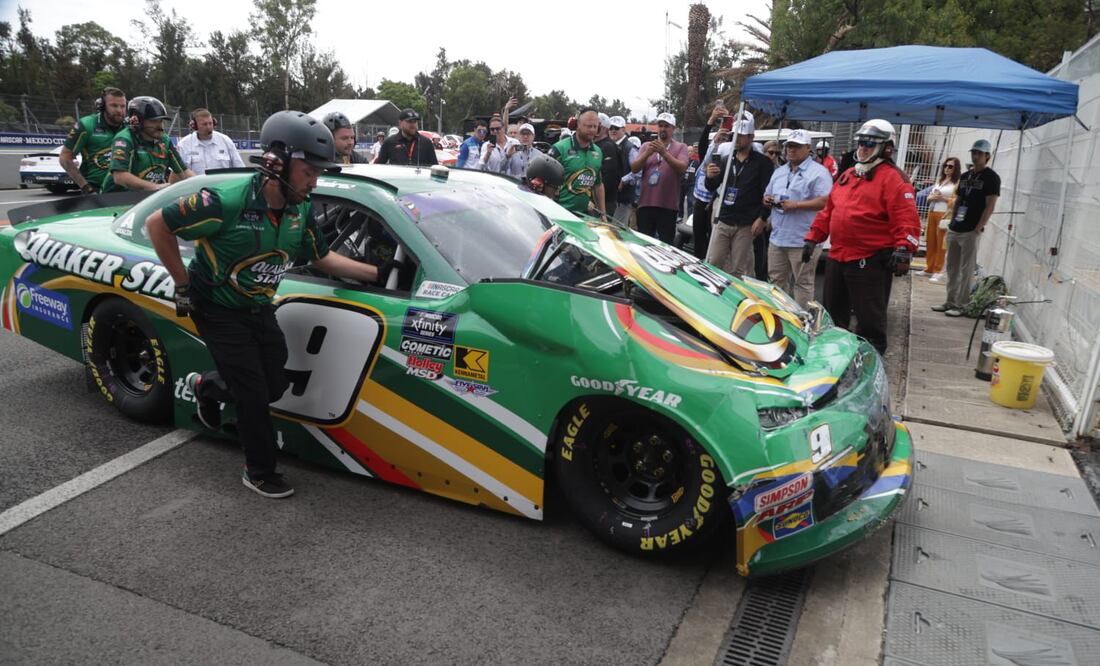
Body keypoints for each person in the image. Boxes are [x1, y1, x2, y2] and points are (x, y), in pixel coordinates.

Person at [145, 110, 386, 499]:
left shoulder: (300, 209)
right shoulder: (224, 201)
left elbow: (321, 257)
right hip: (216, 307)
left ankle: (208, 385)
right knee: (254, 395)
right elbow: (157, 225)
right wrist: (182, 284)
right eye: (309, 171)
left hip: (258, 306)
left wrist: (376, 273)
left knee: (274, 383)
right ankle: (259, 471)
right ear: (278, 162)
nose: (315, 181)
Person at [803, 119, 920, 354]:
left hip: (870, 259)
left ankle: (872, 359)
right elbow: (829, 210)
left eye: (870, 144)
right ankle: (831, 356)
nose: (863, 148)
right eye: (862, 143)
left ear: (886, 147)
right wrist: (813, 237)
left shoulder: (893, 179)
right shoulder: (848, 175)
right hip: (839, 256)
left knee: (869, 319)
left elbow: (905, 216)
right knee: (833, 315)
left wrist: (904, 247)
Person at [761, 129, 832, 306]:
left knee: (803, 284)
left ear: (808, 148)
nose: (791, 150)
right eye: (789, 146)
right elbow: (766, 194)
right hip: (778, 238)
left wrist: (797, 205)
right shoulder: (780, 171)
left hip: (803, 240)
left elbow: (826, 201)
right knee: (776, 282)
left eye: (797, 146)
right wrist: (767, 200)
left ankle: (802, 323)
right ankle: (779, 318)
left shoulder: (819, 172)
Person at [934, 140, 999, 317]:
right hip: (956, 226)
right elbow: (958, 200)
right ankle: (950, 301)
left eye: (979, 153)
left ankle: (962, 304)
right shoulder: (965, 176)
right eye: (974, 152)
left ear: (987, 156)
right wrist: (953, 220)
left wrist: (979, 227)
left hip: (971, 229)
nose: (975, 155)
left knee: (966, 268)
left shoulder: (991, 178)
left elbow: (990, 205)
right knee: (952, 267)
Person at [704, 111, 773, 276]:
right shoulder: (727, 159)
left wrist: (762, 218)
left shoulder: (763, 163)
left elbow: (769, 194)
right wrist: (710, 177)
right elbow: (711, 186)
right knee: (713, 263)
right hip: (724, 220)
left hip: (746, 224)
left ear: (751, 137)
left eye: (741, 135)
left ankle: (735, 301)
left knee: (738, 270)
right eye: (734, 135)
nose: (737, 138)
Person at [102, 96, 194, 192]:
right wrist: (154, 187)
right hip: (115, 200)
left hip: (147, 199)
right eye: (153, 121)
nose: (160, 126)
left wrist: (204, 185)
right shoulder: (125, 139)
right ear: (137, 120)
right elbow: (119, 176)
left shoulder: (164, 140)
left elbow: (183, 172)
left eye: (161, 121)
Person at [631, 112, 688, 243]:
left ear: (673, 128)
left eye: (666, 126)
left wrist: (664, 153)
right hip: (646, 204)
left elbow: (682, 167)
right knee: (644, 243)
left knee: (666, 244)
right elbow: (634, 168)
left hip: (667, 206)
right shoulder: (646, 146)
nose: (662, 129)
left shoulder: (681, 147)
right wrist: (647, 154)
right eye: (660, 125)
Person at [61, 87, 127, 194]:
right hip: (96, 191)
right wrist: (86, 188)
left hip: (126, 191)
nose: (119, 110)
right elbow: (65, 158)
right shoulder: (86, 125)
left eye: (123, 106)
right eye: (114, 105)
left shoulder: (130, 127)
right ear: (102, 106)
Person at [549, 108, 605, 216]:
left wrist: (603, 213)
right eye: (589, 126)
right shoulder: (560, 148)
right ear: (578, 125)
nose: (593, 130)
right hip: (559, 213)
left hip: (584, 216)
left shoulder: (598, 152)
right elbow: (546, 183)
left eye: (595, 126)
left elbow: (598, 185)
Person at [920, 156, 960, 282]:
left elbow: (957, 201)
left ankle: (938, 270)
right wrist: (932, 197)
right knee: (930, 241)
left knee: (941, 243)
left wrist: (942, 198)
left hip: (944, 214)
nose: (947, 168)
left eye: (950, 166)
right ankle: (929, 267)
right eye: (945, 166)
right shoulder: (940, 181)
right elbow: (929, 197)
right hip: (932, 212)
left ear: (955, 168)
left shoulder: (957, 183)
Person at [177, 108, 246, 175]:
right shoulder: (183, 145)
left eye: (210, 123)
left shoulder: (226, 141)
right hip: (197, 186)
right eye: (204, 124)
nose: (208, 127)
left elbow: (240, 168)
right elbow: (178, 173)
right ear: (194, 126)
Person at [373, 108, 437, 166]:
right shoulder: (389, 142)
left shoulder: (426, 143)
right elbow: (378, 166)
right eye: (409, 121)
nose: (413, 124)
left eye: (415, 121)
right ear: (400, 123)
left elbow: (435, 167)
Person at [609, 116, 637, 225]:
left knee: (617, 231)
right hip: (610, 197)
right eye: (611, 128)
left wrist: (624, 180)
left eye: (616, 128)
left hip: (622, 198)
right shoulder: (610, 145)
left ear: (623, 130)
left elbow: (638, 170)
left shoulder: (630, 148)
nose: (613, 130)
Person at [594, 113, 622, 217]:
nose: (593, 129)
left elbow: (609, 176)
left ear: (604, 128)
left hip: (605, 201)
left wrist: (597, 198)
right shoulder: (594, 145)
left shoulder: (608, 146)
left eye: (596, 126)